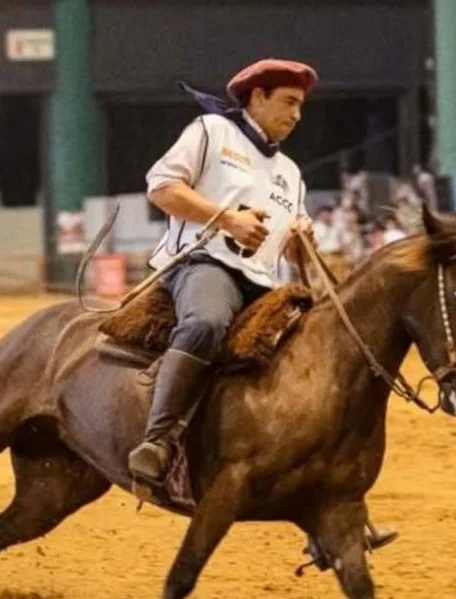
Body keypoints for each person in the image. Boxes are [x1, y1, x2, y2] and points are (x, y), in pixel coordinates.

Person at [129, 58, 397, 553]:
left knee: (321, 358)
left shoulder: (290, 173)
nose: (297, 115)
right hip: (201, 264)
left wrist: (300, 237)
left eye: (301, 106)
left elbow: (288, 244)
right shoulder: (211, 132)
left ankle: (332, 499)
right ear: (257, 97)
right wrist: (225, 218)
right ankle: (158, 439)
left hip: (263, 283)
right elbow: (161, 187)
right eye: (288, 102)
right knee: (207, 321)